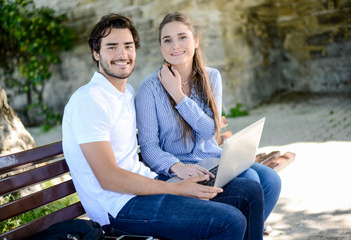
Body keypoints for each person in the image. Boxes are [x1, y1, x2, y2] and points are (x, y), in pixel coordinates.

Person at [62, 13, 265, 239]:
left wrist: (172, 183)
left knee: (249, 191)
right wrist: (177, 188)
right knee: (230, 221)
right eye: (112, 47)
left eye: (128, 46)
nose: (122, 54)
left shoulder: (124, 93)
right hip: (118, 208)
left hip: (146, 187)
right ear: (96, 53)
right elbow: (108, 177)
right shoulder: (89, 100)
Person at [135, 11, 281, 225]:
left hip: (213, 160)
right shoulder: (149, 89)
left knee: (271, 180)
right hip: (179, 171)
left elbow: (209, 131)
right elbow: (148, 146)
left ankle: (247, 230)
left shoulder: (211, 76)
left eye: (182, 37)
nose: (175, 45)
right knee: (251, 180)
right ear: (161, 47)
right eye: (167, 40)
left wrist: (178, 95)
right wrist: (176, 166)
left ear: (195, 41)